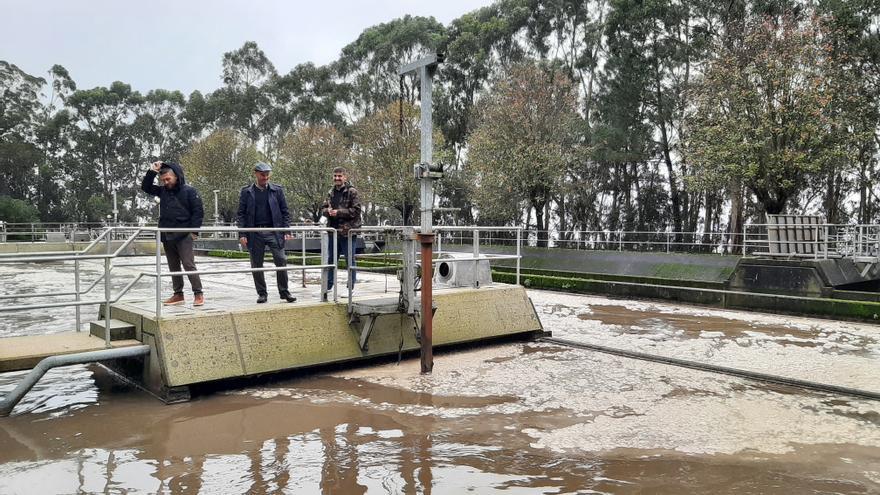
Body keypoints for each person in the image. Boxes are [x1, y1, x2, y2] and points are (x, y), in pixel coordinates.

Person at [141, 161, 205, 306]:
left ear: (176, 176)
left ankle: (198, 293)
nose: (166, 182)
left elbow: (198, 212)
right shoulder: (162, 191)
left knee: (188, 264)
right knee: (173, 266)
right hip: (166, 233)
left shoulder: (190, 191)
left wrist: (194, 231)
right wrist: (152, 171)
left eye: (168, 179)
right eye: (163, 180)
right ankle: (178, 294)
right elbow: (145, 187)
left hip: (184, 234)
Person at [237, 161, 297, 304]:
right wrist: (242, 234)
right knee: (256, 264)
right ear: (256, 174)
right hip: (254, 232)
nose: (265, 178)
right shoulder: (246, 192)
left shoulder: (277, 190)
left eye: (267, 175)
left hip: (274, 231)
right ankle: (262, 293)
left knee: (281, 260)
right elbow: (241, 214)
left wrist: (286, 229)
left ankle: (284, 291)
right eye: (262, 175)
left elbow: (285, 212)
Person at [320, 166, 362, 292]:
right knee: (331, 259)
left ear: (345, 177)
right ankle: (328, 286)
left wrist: (338, 212)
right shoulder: (330, 192)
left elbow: (356, 210)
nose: (337, 178)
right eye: (335, 176)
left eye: (339, 176)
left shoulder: (352, 191)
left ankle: (351, 288)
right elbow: (323, 209)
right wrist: (327, 211)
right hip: (333, 231)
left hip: (347, 231)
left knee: (350, 260)